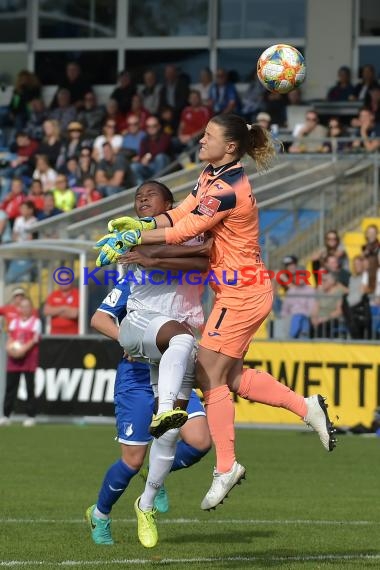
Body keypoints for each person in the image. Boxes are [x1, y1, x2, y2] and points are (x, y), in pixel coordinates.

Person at [95, 114, 337, 522]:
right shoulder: (211, 174)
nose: (200, 138)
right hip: (234, 290)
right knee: (232, 377)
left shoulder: (228, 187)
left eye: (208, 135)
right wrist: (141, 224)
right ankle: (306, 406)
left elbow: (186, 228)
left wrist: (137, 235)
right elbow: (181, 212)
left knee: (208, 374)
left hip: (242, 290)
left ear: (229, 147)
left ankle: (226, 465)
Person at [86, 182, 212, 545]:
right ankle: (100, 514)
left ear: (170, 206)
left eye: (150, 196)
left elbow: (205, 253)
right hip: (139, 370)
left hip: (176, 358)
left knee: (200, 442)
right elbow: (100, 318)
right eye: (137, 196)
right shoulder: (131, 259)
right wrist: (124, 340)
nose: (141, 199)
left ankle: (153, 486)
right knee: (131, 460)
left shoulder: (185, 241)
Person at [0, 297, 41, 427]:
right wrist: (10, 349)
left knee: (29, 388)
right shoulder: (14, 322)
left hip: (28, 359)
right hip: (14, 359)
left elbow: (34, 340)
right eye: (22, 307)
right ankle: (6, 415)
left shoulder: (36, 322)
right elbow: (10, 338)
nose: (25, 309)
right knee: (10, 388)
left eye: (27, 306)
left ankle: (30, 416)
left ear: (31, 308)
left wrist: (22, 350)